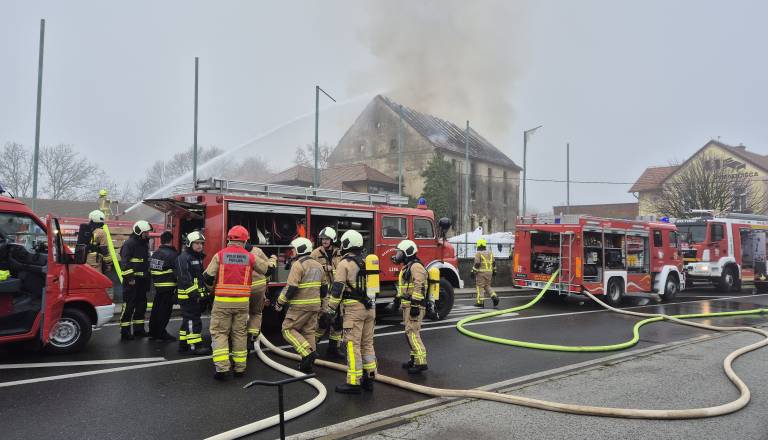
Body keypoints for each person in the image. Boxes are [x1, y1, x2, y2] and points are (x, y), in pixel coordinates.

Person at [203, 225, 263, 380]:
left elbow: (208, 277)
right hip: (242, 303)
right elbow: (266, 270)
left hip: (222, 302)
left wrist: (211, 291)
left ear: (229, 239)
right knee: (239, 334)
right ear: (244, 240)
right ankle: (240, 368)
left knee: (220, 333)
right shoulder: (250, 256)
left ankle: (222, 369)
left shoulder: (220, 255)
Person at [322, 230, 376, 394]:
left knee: (352, 346)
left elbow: (337, 289)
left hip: (353, 310)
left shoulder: (344, 264)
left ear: (347, 244)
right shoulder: (368, 261)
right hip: (370, 308)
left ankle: (353, 382)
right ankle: (369, 377)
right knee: (367, 344)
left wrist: (330, 310)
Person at [275, 237, 325, 373]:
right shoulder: (318, 265)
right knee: (308, 332)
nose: (292, 252)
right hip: (315, 305)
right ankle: (308, 362)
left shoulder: (298, 265)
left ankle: (307, 353)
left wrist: (280, 302)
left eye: (293, 250)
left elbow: (291, 288)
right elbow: (324, 288)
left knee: (287, 330)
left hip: (299, 306)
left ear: (299, 249)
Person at [392, 239, 429, 374]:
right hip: (408, 305)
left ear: (407, 252)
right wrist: (397, 300)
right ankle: (414, 359)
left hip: (415, 306)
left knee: (412, 333)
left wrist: (414, 305)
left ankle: (421, 362)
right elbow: (404, 287)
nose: (397, 255)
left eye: (399, 252)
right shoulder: (408, 266)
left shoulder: (416, 267)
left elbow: (419, 285)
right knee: (409, 333)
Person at [175, 231, 212, 355]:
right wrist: (195, 295)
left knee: (187, 320)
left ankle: (183, 344)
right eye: (196, 243)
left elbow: (198, 278)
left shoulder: (197, 257)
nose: (200, 246)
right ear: (189, 244)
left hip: (194, 295)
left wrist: (205, 293)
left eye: (201, 243)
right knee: (193, 320)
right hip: (188, 296)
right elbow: (184, 279)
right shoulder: (184, 257)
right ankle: (195, 346)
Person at [311, 226, 343, 359]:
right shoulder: (315, 254)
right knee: (322, 321)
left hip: (337, 293)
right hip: (323, 294)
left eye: (327, 239)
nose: (324, 241)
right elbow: (311, 270)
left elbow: (343, 272)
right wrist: (325, 268)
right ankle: (311, 349)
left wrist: (333, 270)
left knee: (338, 323)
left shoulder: (340, 253)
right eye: (323, 239)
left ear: (332, 240)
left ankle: (333, 348)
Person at [119, 220, 152, 340]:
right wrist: (130, 278)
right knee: (129, 305)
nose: (148, 234)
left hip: (142, 281)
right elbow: (125, 263)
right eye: (146, 232)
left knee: (141, 306)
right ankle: (125, 331)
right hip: (132, 281)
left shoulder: (144, 243)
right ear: (139, 232)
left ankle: (139, 330)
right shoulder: (129, 244)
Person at [246, 243, 276, 350]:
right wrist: (273, 258)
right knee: (256, 312)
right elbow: (268, 268)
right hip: (258, 287)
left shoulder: (231, 253)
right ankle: (251, 337)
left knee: (240, 314)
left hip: (241, 288)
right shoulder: (257, 251)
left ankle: (240, 338)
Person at [149, 231, 178, 340]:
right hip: (169, 286)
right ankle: (161, 333)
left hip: (158, 286)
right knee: (165, 311)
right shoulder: (173, 254)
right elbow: (177, 272)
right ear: (171, 240)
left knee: (156, 309)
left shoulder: (156, 253)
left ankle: (153, 331)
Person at [84, 210, 113, 274]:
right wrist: (109, 263)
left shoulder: (86, 229)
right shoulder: (101, 232)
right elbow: (104, 249)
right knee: (96, 279)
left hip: (85, 258)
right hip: (95, 261)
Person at [473, 238, 499, 308]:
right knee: (487, 286)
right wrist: (494, 271)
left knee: (480, 287)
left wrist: (473, 272)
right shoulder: (490, 252)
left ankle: (480, 302)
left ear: (479, 245)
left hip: (481, 273)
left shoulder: (478, 253)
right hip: (489, 273)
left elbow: (477, 264)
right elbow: (493, 263)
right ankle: (494, 296)